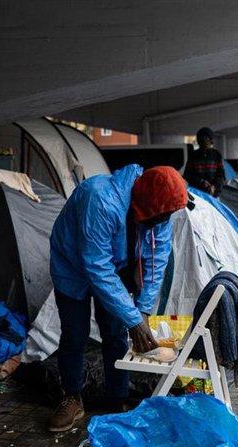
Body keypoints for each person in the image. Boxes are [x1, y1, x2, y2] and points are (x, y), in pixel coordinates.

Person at [47, 165, 189, 432]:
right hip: (72, 267)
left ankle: (117, 398)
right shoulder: (99, 199)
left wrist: (144, 310)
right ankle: (72, 397)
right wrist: (134, 319)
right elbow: (97, 266)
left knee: (114, 333)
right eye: (163, 216)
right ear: (146, 205)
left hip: (115, 263)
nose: (165, 221)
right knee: (74, 334)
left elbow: (157, 260)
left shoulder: (160, 212)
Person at [183, 127, 226, 196]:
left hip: (214, 193)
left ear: (210, 140)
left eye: (205, 139)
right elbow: (188, 175)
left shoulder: (216, 155)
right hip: (197, 193)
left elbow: (221, 175)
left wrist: (214, 187)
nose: (202, 141)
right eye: (200, 139)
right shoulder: (194, 155)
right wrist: (202, 182)